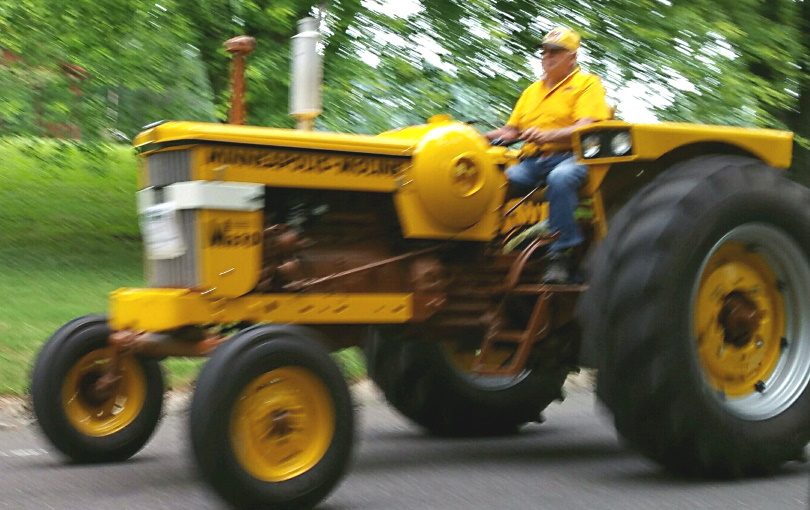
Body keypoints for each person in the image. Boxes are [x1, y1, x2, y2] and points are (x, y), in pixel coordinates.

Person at [486, 26, 611, 283]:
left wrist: (548, 136)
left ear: (572, 58)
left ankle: (561, 254)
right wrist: (475, 137)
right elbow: (511, 131)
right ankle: (486, 244)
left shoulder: (587, 84)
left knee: (561, 178)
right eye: (545, 52)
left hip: (572, 157)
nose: (548, 57)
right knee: (497, 180)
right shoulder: (532, 91)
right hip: (532, 162)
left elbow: (586, 127)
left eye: (556, 52)